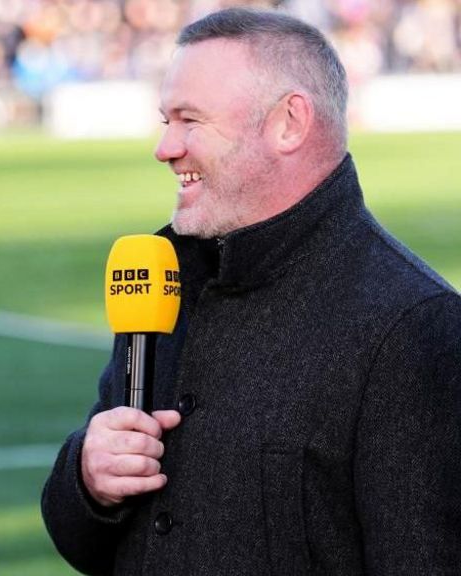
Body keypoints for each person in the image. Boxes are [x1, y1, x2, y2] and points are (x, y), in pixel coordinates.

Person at [42, 7, 461, 574]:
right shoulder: (165, 276)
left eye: (189, 120)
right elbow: (82, 541)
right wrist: (90, 481)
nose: (164, 147)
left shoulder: (414, 325)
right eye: (165, 119)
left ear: (289, 122)